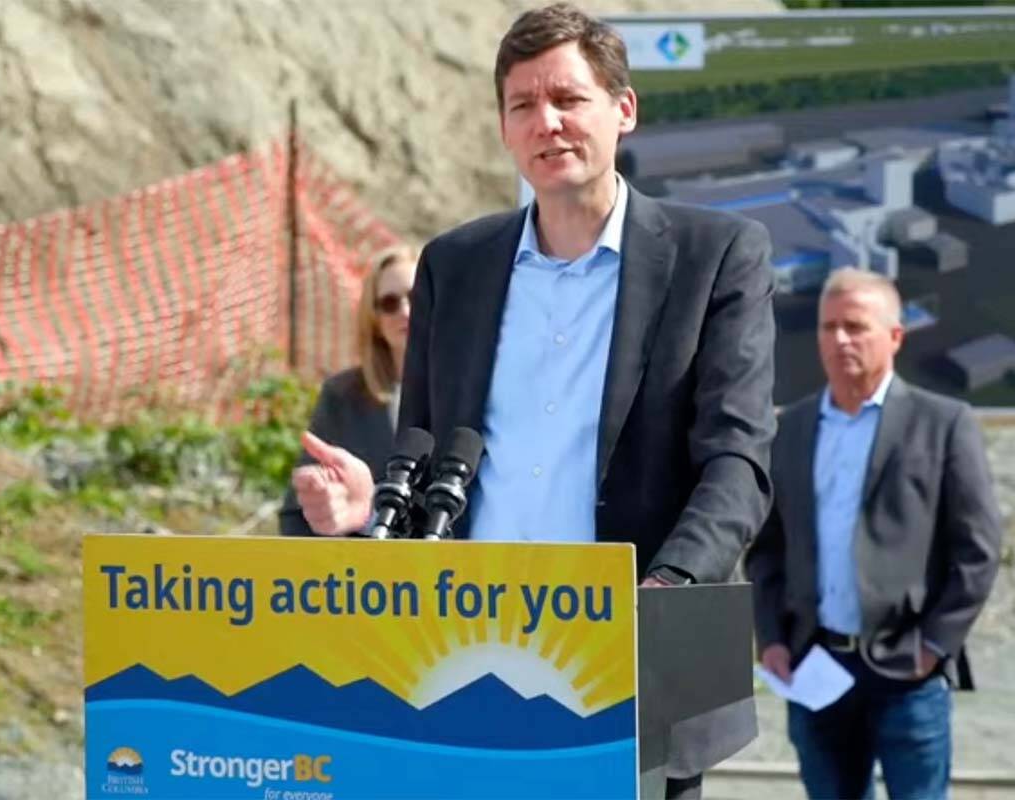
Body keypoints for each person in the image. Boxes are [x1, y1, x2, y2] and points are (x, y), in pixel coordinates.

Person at [291, 4, 777, 795]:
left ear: (623, 110)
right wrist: (368, 511)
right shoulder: (455, 265)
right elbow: (423, 443)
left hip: (628, 673)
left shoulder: (716, 257)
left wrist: (665, 590)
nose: (545, 123)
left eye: (567, 99)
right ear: (504, 128)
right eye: (522, 105)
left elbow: (738, 460)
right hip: (463, 665)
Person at [746, 268, 1003, 800]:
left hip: (908, 672)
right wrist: (771, 638)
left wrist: (934, 645)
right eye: (828, 327)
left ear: (895, 336)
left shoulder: (943, 423)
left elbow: (977, 550)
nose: (839, 340)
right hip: (815, 666)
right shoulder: (789, 428)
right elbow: (767, 548)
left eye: (856, 326)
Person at [279, 244, 417, 536]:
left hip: (460, 576)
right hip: (365, 576)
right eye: (390, 303)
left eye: (416, 297)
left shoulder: (477, 390)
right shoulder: (341, 396)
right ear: (375, 319)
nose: (405, 311)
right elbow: (296, 516)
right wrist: (330, 508)